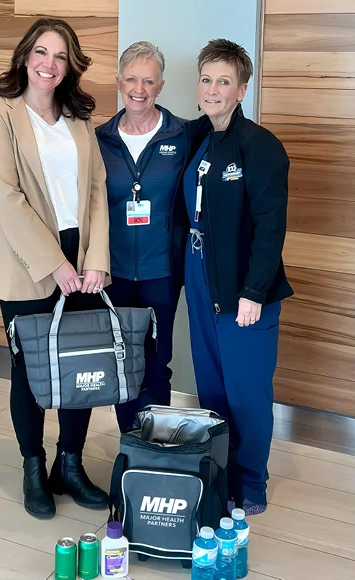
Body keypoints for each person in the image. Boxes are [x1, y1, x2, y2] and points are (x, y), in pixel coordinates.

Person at [0, 18, 110, 520]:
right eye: (42, 52)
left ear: (69, 65)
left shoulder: (79, 120)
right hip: (27, 261)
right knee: (30, 371)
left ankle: (69, 467)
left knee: (82, 365)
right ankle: (33, 468)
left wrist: (95, 260)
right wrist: (55, 264)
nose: (49, 64)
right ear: (25, 56)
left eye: (60, 56)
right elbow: (7, 198)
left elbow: (97, 190)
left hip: (83, 258)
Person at [178, 39, 293, 515]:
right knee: (212, 388)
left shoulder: (259, 146)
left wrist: (254, 292)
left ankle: (252, 484)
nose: (212, 89)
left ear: (242, 89)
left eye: (224, 81)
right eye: (206, 79)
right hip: (202, 277)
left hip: (246, 288)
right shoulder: (198, 138)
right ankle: (221, 476)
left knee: (247, 392)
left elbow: (271, 226)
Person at [96, 42, 187, 432]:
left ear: (160, 85)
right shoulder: (98, 139)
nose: (139, 88)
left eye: (148, 81)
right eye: (131, 79)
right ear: (118, 83)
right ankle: (131, 443)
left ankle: (157, 447)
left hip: (161, 274)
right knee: (121, 361)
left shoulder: (183, 136)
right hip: (111, 273)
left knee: (156, 362)